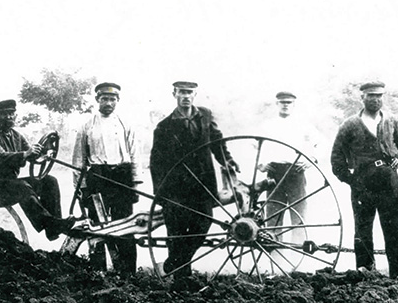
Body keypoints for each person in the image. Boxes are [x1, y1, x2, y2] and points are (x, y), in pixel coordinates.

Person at [150, 81, 239, 277]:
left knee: (203, 224)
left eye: (189, 92)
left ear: (195, 94)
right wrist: (160, 193)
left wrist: (228, 161)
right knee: (177, 232)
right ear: (174, 94)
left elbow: (217, 143)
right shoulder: (164, 127)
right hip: (176, 188)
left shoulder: (205, 116)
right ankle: (182, 280)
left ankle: (176, 262)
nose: (186, 96)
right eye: (182, 92)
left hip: (203, 184)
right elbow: (156, 162)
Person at [331, 81, 398, 278]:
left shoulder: (392, 120)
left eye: (379, 96)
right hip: (362, 182)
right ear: (362, 98)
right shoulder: (349, 125)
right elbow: (337, 156)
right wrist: (350, 179)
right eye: (371, 96)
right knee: (363, 230)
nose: (375, 100)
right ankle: (366, 272)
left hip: (388, 179)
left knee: (394, 228)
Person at [0, 99, 77, 241]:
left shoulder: (16, 136)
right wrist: (26, 154)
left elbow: (32, 155)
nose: (9, 117)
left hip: (7, 186)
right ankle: (48, 222)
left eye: (12, 113)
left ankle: (53, 227)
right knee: (21, 186)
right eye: (4, 114)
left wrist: (45, 151)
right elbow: (1, 157)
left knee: (49, 181)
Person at [72, 82, 142, 273]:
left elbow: (135, 155)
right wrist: (82, 186)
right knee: (96, 226)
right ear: (97, 100)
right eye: (105, 99)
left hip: (121, 177)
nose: (108, 103)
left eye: (112, 99)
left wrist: (135, 184)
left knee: (126, 224)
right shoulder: (87, 126)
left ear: (117, 101)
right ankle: (98, 270)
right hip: (98, 178)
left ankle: (128, 272)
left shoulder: (125, 124)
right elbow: (78, 160)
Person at [257, 91, 321, 245]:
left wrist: (312, 159)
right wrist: (261, 164)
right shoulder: (267, 125)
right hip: (274, 172)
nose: (285, 105)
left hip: (295, 172)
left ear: (294, 105)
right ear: (277, 104)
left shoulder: (304, 125)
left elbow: (320, 144)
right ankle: (274, 247)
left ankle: (298, 248)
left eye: (289, 103)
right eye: (282, 102)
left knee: (298, 210)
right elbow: (255, 146)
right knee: (273, 211)